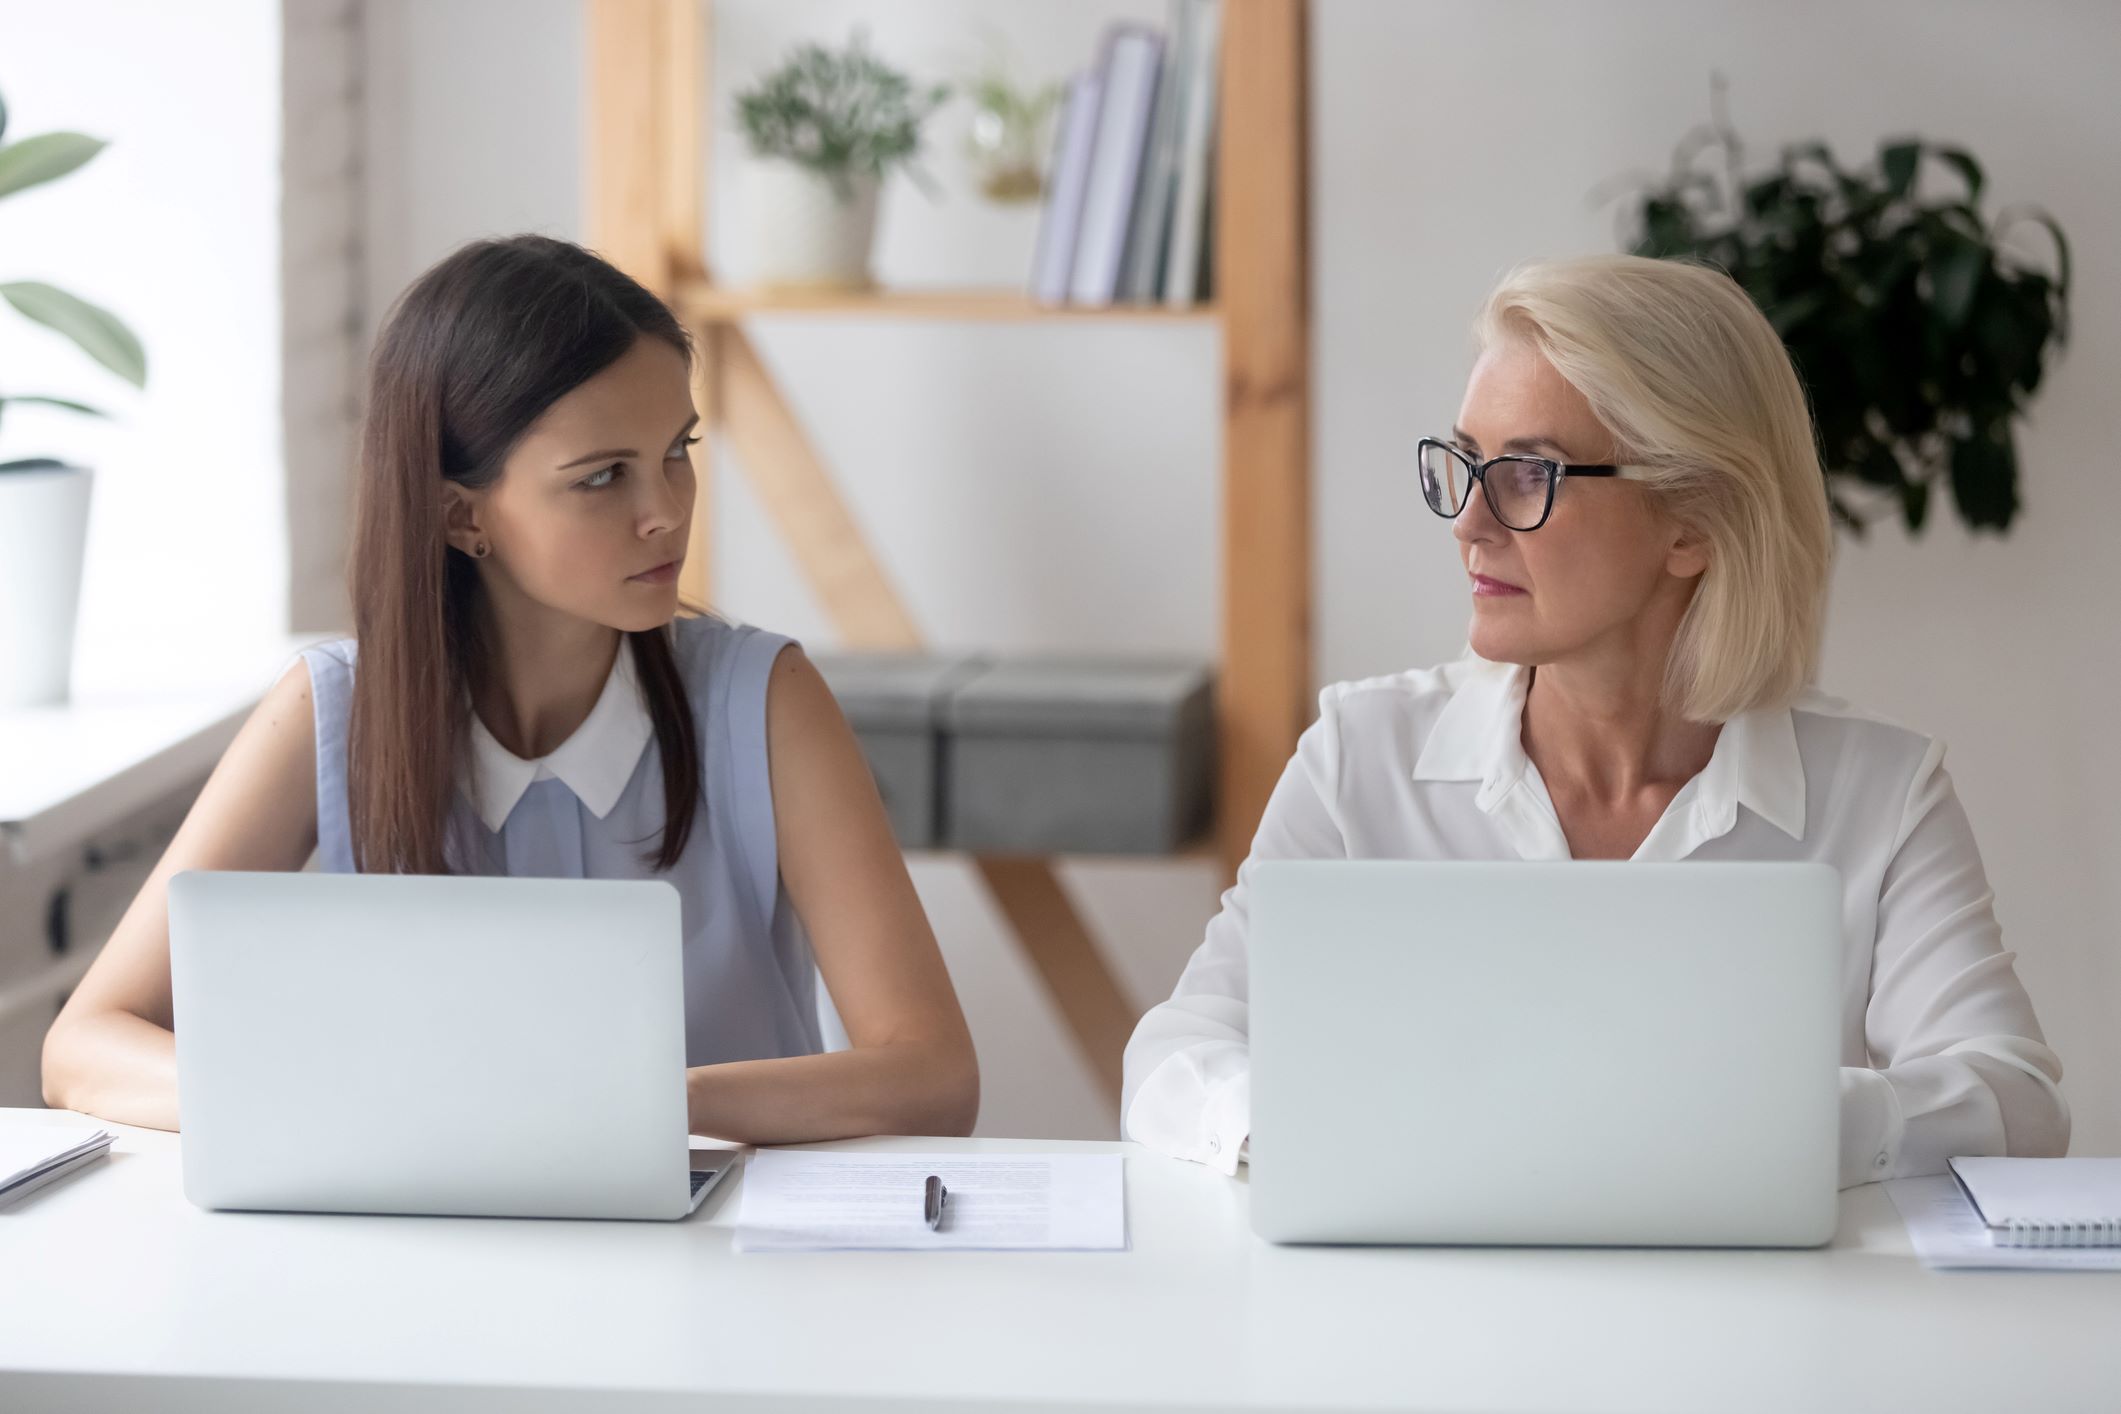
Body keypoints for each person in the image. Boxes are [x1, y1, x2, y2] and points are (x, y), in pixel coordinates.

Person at [1122, 254, 2066, 1188]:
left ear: (1693, 521)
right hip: (1418, 1319)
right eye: (1466, 463)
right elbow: (1175, 1054)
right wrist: (1315, 1128)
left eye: (1528, 473)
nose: (1468, 524)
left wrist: (1764, 1119)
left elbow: (2014, 1100)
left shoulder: (1880, 794)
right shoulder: (1358, 760)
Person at [43, 235, 979, 1142]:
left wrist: (646, 1102)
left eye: (677, 452)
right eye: (603, 477)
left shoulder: (763, 699)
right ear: (460, 514)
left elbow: (932, 1075)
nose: (666, 512)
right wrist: (314, 1098)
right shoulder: (327, 711)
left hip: (727, 1266)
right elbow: (84, 1051)